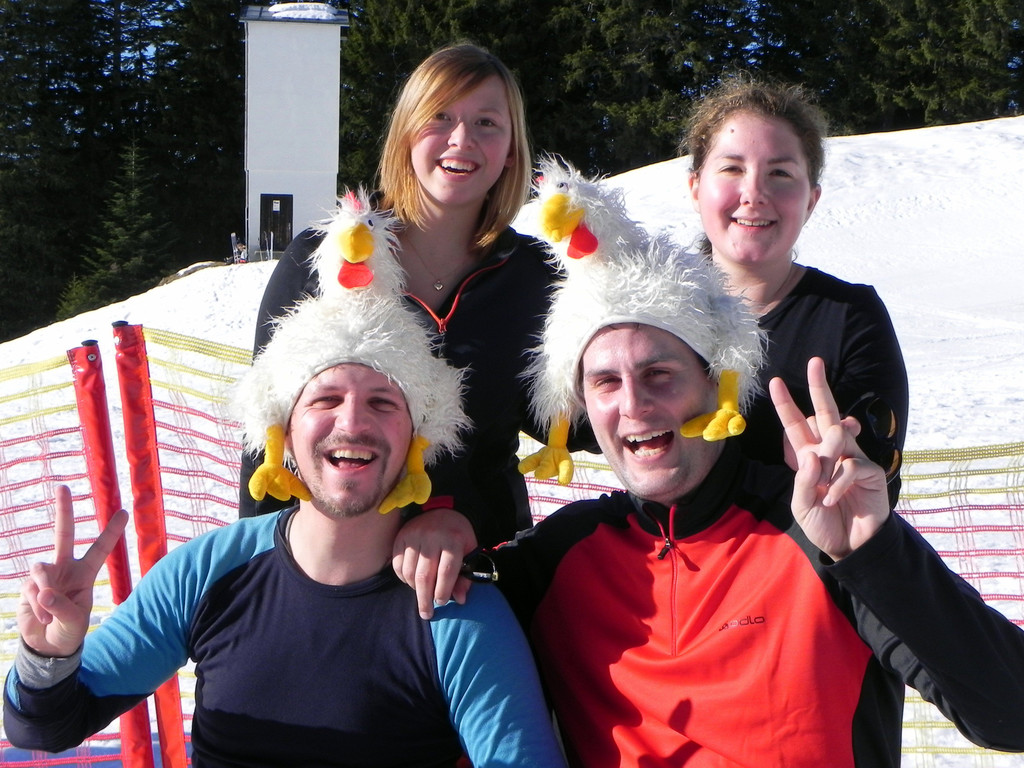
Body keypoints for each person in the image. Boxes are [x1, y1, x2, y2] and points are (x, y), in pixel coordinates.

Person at [406, 166, 1024, 766]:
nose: (634, 405)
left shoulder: (818, 535)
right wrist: (444, 531)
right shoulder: (559, 560)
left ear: (715, 383)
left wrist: (875, 552)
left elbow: (1011, 714)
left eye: (659, 373)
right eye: (605, 383)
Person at [3, 232, 567, 767]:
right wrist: (49, 652)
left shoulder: (455, 606)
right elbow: (43, 727)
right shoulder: (208, 571)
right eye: (325, 398)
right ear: (283, 432)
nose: (353, 423)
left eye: (382, 402)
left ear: (417, 439)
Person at [241, 42, 594, 571]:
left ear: (511, 150)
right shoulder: (327, 257)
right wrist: (258, 577)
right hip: (331, 568)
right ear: (407, 132)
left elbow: (571, 418)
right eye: (440, 117)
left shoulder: (535, 278)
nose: (461, 139)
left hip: (475, 566)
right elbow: (265, 426)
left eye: (487, 123)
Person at [683, 76, 909, 505]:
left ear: (810, 200)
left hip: (807, 545)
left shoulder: (850, 318)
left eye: (780, 173)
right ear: (695, 188)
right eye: (732, 168)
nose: (754, 193)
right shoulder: (652, 316)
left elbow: (878, 480)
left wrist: (846, 460)